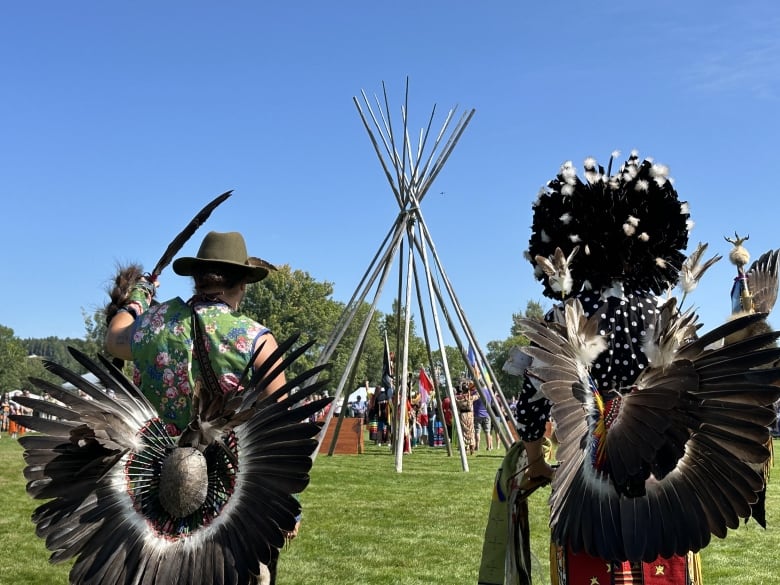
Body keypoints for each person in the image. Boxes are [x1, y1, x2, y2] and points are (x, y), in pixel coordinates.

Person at [514, 153, 707, 584]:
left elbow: (529, 408)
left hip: (586, 488)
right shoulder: (667, 318)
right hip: (662, 485)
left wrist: (536, 461)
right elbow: (701, 399)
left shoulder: (565, 318)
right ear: (655, 244)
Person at [105, 230, 290, 585]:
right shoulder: (255, 339)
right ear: (243, 285)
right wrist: (285, 505)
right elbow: (280, 429)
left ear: (196, 280)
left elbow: (114, 338)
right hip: (228, 501)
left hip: (152, 489)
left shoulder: (155, 325)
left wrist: (138, 299)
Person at [455, 382, 478, 455]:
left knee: (464, 431)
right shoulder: (470, 397)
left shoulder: (459, 398)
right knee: (471, 431)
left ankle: (465, 447)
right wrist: (474, 388)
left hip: (462, 415)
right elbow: (478, 395)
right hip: (470, 415)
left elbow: (455, 400)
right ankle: (472, 447)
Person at [472, 384, 493, 451]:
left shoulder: (476, 392)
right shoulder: (489, 392)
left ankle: (477, 446)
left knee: (477, 431)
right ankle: (489, 446)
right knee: (487, 431)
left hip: (477, 414)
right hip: (487, 414)